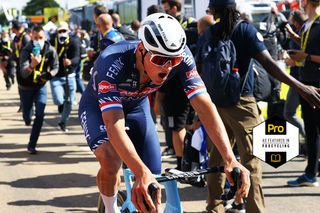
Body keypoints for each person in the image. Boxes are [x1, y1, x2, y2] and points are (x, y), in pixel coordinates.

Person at [78, 13, 250, 213]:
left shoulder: (183, 56)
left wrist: (230, 158)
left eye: (173, 60)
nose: (167, 67)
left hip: (137, 107)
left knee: (152, 189)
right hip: (98, 109)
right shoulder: (111, 62)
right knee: (111, 161)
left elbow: (204, 106)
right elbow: (113, 123)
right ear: (141, 49)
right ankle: (109, 209)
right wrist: (140, 172)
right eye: (159, 59)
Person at [204, 0, 320, 212]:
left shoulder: (209, 33)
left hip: (215, 104)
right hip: (242, 104)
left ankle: (214, 207)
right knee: (252, 163)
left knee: (217, 159)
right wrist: (300, 86)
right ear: (236, 9)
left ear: (213, 10)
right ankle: (255, 209)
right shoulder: (245, 30)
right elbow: (268, 64)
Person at [285, 0, 320, 187]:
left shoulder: (318, 23)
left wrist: (304, 57)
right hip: (306, 81)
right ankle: (312, 172)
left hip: (315, 83)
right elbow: (308, 49)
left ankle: (311, 174)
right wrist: (297, 57)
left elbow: (311, 54)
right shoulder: (309, 23)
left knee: (314, 131)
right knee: (313, 130)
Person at [19, 26, 58, 154]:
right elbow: (24, 73)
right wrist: (32, 65)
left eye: (40, 38)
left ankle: (32, 144)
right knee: (27, 116)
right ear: (31, 37)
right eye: (35, 38)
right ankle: (26, 116)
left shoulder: (51, 50)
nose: (38, 40)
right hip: (25, 88)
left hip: (40, 87)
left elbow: (56, 67)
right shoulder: (25, 51)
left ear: (45, 37)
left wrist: (49, 74)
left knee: (40, 115)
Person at [49, 21, 80, 132]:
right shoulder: (52, 42)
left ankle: (63, 121)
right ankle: (61, 106)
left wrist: (70, 61)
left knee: (70, 102)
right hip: (56, 76)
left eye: (64, 31)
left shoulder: (74, 41)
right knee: (58, 100)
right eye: (60, 31)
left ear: (68, 31)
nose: (62, 33)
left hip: (70, 75)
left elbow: (77, 57)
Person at [283, 10, 306, 138]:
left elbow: (307, 57)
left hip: (299, 80)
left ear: (296, 21)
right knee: (304, 114)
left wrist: (293, 62)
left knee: (289, 113)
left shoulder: (305, 33)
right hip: (298, 78)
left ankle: (310, 142)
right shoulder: (299, 32)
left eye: (292, 20)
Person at [11, 20, 31, 112]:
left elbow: (29, 51)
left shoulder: (25, 37)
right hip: (19, 65)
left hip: (26, 65)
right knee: (20, 86)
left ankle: (28, 106)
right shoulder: (16, 38)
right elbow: (14, 50)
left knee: (28, 86)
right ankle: (23, 104)